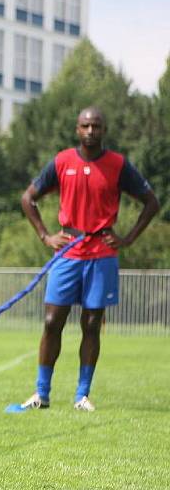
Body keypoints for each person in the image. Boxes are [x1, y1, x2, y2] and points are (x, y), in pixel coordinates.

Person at [8, 106, 159, 413]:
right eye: (85, 126)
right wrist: (46, 236)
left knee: (91, 324)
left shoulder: (118, 165)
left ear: (104, 130)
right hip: (67, 250)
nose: (91, 131)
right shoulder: (63, 161)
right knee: (52, 322)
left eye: (97, 126)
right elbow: (28, 198)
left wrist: (127, 239)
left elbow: (151, 202)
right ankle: (41, 394)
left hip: (102, 252)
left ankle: (82, 396)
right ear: (77, 129)